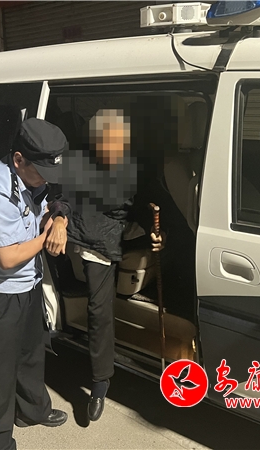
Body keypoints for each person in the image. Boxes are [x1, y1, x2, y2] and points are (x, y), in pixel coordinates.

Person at [50, 109, 163, 422]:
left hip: (119, 229)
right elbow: (61, 196)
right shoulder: (78, 163)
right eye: (105, 142)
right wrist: (59, 218)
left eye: (119, 142)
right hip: (91, 236)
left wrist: (156, 231)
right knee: (99, 310)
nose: (112, 148)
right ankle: (101, 381)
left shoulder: (133, 166)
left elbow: (142, 204)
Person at [0, 118, 70, 450]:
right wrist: (47, 236)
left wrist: (59, 220)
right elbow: (8, 258)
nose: (46, 179)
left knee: (30, 354)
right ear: (18, 159)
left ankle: (31, 411)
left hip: (28, 284)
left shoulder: (33, 175)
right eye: (41, 171)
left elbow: (52, 204)